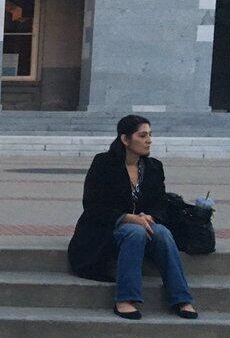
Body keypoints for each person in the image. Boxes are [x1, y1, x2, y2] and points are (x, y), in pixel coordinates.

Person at [68, 114, 199, 320]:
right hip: (107, 227)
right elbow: (93, 206)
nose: (149, 140)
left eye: (150, 135)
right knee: (134, 233)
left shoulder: (154, 167)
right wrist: (128, 218)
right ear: (125, 139)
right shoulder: (104, 163)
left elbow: (160, 202)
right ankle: (125, 299)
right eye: (142, 135)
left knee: (163, 233)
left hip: (144, 223)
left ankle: (181, 298)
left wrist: (151, 216)